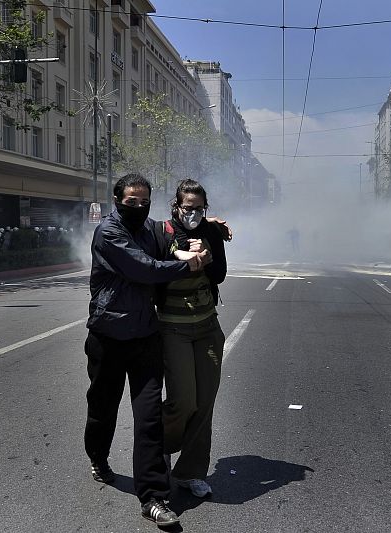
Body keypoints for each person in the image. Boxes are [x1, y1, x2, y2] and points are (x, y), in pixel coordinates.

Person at [84, 173, 211, 528]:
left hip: (145, 337)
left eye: (144, 202)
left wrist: (208, 223)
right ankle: (98, 456)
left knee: (149, 418)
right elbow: (145, 269)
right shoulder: (109, 233)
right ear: (117, 201)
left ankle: (153, 497)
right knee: (102, 409)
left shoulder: (151, 228)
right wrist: (186, 263)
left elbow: (172, 232)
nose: (138, 208)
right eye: (131, 202)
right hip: (108, 337)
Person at [154, 179, 228, 499]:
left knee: (205, 401)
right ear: (176, 206)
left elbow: (220, 274)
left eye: (199, 209)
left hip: (207, 327)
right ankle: (161, 445)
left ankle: (190, 471)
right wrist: (183, 259)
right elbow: (155, 269)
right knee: (183, 399)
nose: (194, 214)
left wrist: (208, 259)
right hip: (172, 328)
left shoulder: (211, 234)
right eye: (188, 208)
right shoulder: (162, 233)